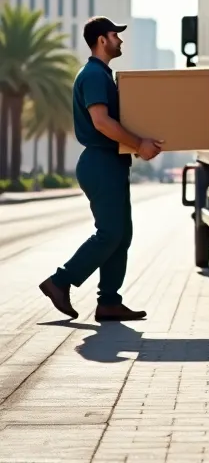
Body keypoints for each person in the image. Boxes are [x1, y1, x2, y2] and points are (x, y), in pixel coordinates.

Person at [39, 18, 163, 321]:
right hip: (100, 162)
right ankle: (60, 281)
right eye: (115, 35)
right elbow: (102, 122)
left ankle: (109, 302)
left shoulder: (103, 75)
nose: (120, 40)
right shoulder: (94, 75)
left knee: (121, 235)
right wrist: (139, 143)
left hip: (111, 162)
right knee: (110, 233)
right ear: (101, 40)